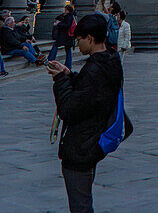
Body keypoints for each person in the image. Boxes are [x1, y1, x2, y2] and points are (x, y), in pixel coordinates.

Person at [48, 11, 124, 213]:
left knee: (80, 206)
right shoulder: (111, 60)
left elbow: (69, 109)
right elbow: (92, 94)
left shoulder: (94, 69)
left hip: (81, 147)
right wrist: (70, 75)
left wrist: (60, 80)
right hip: (93, 141)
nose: (76, 44)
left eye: (79, 39)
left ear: (90, 39)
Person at [49, 4, 77, 70]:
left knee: (55, 46)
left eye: (65, 10)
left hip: (64, 36)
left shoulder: (68, 16)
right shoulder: (73, 16)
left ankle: (50, 60)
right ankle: (68, 65)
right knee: (68, 50)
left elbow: (66, 25)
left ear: (67, 10)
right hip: (69, 36)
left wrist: (59, 23)